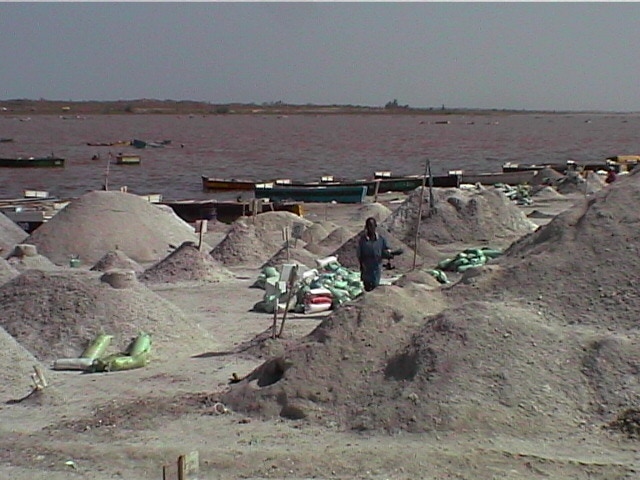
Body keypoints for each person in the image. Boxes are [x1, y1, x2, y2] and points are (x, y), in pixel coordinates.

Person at [356, 217, 392, 292]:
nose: (370, 228)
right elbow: (359, 254)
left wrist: (388, 254)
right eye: (368, 226)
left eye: (372, 226)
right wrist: (361, 265)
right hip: (366, 268)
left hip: (376, 268)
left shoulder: (381, 239)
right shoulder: (363, 240)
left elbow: (386, 249)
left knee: (375, 286)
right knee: (367, 287)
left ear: (375, 226)